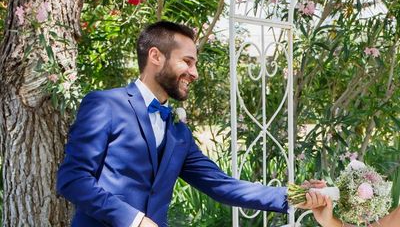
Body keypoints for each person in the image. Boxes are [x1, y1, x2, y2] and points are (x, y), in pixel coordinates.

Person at [57, 20, 323, 227]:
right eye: (187, 61)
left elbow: (223, 185)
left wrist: (296, 196)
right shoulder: (105, 104)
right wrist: (133, 220)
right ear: (156, 56)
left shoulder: (178, 132)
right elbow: (73, 179)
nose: (194, 73)